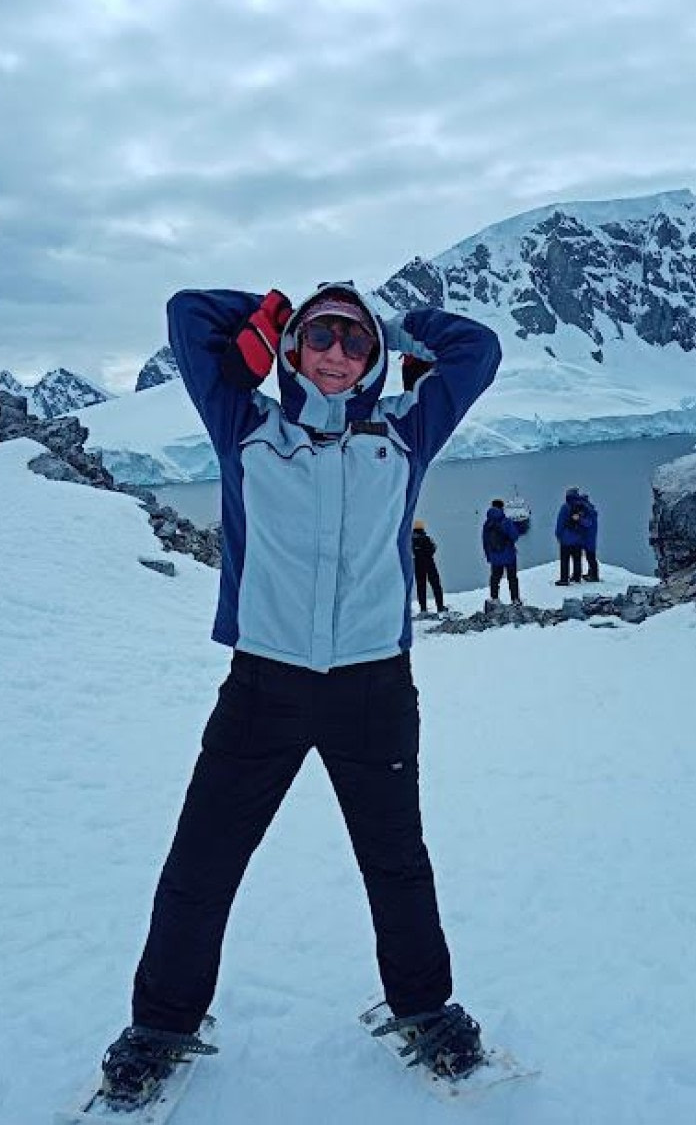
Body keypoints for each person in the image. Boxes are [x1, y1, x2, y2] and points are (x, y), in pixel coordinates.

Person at [98, 281, 501, 1107]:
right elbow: (186, 312)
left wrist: (396, 323)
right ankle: (160, 1026)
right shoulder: (244, 425)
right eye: (321, 336)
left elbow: (477, 349)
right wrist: (277, 310)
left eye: (356, 341)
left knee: (396, 863)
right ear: (291, 348)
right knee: (202, 862)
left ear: (374, 359)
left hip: (372, 689)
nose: (337, 354)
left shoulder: (405, 433)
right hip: (263, 684)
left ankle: (426, 1011)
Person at [482, 498, 523, 606]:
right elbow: (515, 536)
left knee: (495, 578)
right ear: (502, 507)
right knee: (512, 578)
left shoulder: (487, 524)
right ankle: (515, 599)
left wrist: (488, 556)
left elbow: (485, 542)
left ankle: (494, 598)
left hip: (495, 557)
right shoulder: (506, 521)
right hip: (509, 555)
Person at [411, 519, 447, 615]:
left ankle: (423, 609)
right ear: (422, 528)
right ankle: (440, 607)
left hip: (417, 565)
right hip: (429, 564)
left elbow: (410, 553)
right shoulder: (427, 539)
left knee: (421, 586)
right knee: (436, 585)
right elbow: (433, 549)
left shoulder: (411, 541)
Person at [554, 486, 588, 586]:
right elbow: (585, 523)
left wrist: (558, 535)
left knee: (565, 560)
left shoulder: (565, 507)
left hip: (566, 539)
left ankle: (564, 579)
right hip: (578, 539)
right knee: (577, 559)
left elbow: (560, 523)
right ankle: (577, 577)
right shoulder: (581, 507)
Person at [578, 490, 599, 581]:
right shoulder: (590, 509)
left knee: (590, 557)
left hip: (589, 538)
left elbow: (588, 523)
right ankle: (591, 573)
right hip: (590, 537)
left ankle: (594, 576)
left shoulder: (588, 510)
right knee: (590, 556)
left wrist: (579, 519)